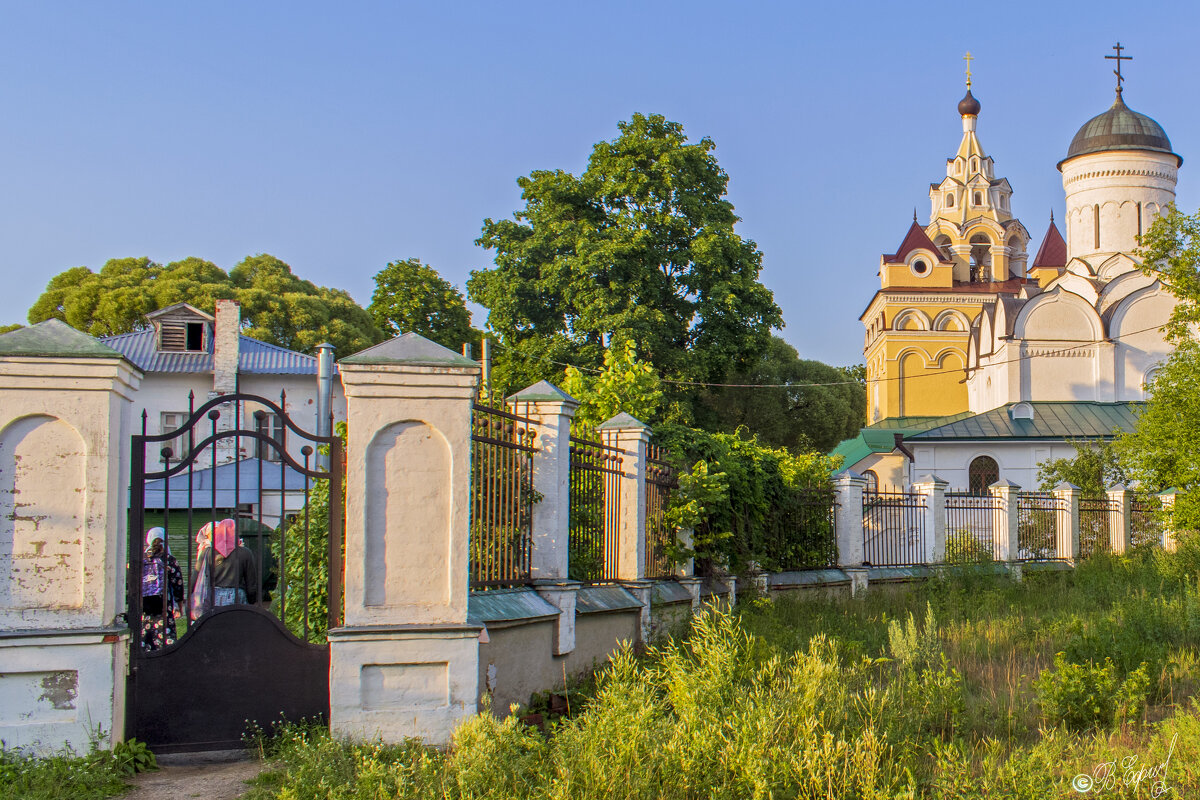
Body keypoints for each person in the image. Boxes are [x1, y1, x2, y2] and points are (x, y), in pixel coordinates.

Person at [141, 527, 184, 651]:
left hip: (145, 603)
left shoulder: (142, 558)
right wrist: (180, 605)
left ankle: (146, 650)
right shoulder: (169, 560)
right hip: (164, 602)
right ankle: (165, 651)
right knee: (165, 630)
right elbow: (178, 584)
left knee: (146, 629)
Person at [211, 518, 258, 607]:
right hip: (236, 595)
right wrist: (252, 599)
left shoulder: (208, 553)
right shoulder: (245, 553)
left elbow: (198, 576)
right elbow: (251, 581)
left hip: (213, 596)